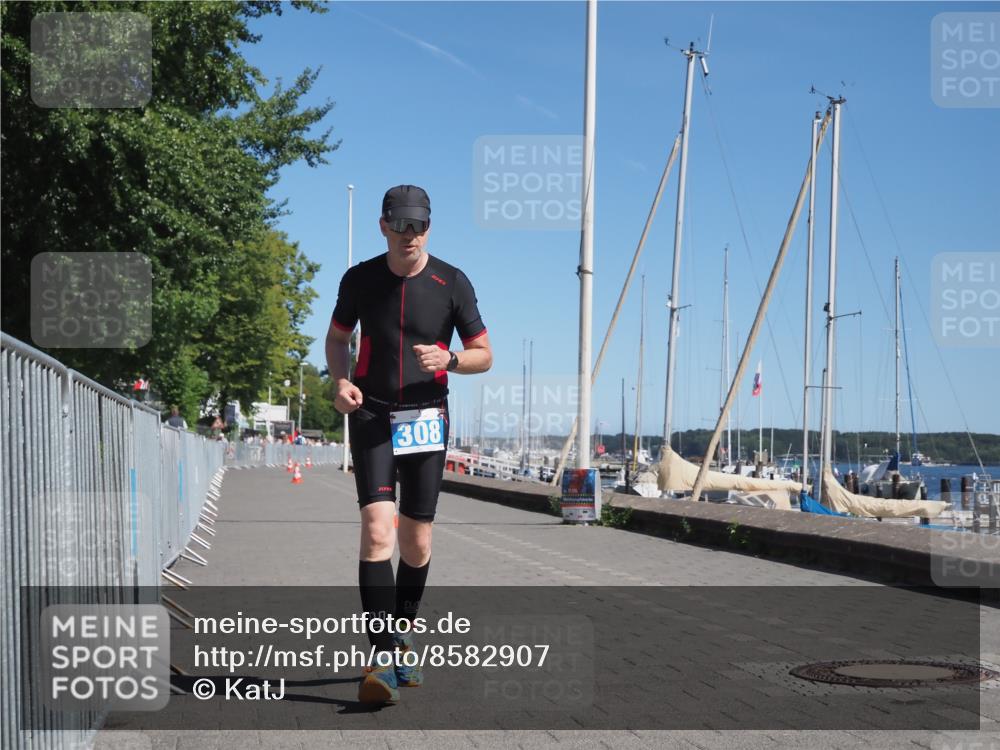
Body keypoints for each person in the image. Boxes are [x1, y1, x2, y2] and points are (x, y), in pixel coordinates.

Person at [325, 184, 492, 705]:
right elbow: (337, 337)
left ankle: (399, 638)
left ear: (429, 227)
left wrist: (453, 362)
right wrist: (339, 380)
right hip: (371, 411)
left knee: (417, 543)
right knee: (378, 531)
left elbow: (484, 353)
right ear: (383, 226)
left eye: (418, 226)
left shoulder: (453, 282)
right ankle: (379, 657)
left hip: (425, 419)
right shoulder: (360, 279)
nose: (409, 235)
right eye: (400, 226)